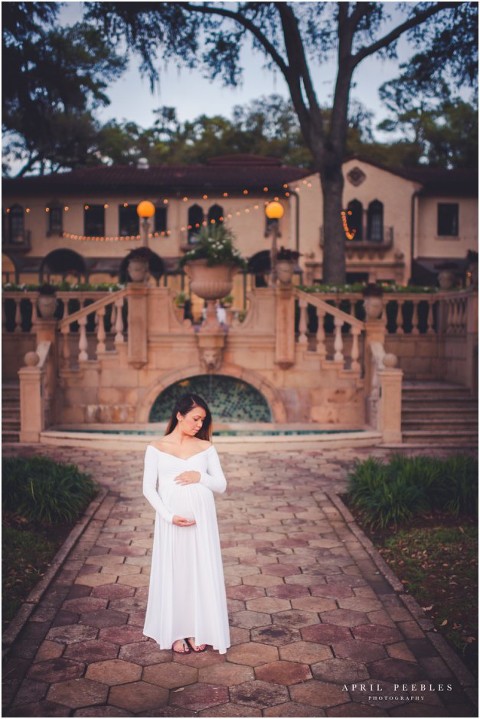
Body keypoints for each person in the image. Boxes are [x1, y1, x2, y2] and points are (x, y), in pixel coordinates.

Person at [142, 393, 230, 655]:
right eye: (195, 418)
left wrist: (199, 475)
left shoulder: (205, 448)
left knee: (199, 572)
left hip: (201, 525)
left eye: (203, 420)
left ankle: (196, 630)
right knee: (177, 573)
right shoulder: (156, 448)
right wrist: (169, 516)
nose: (199, 425)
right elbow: (148, 489)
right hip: (172, 523)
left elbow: (222, 485)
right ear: (179, 415)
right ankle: (176, 632)